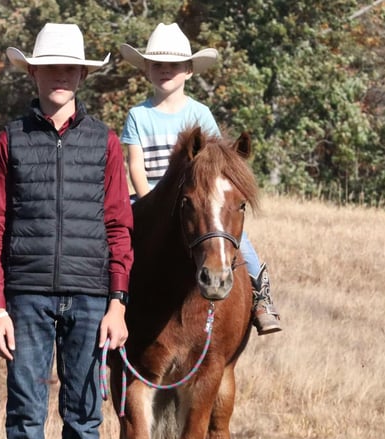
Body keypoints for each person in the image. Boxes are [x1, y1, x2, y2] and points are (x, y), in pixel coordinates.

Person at [0, 22, 134, 439]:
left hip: (92, 298)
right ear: (35, 73)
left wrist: (118, 303)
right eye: (51, 67)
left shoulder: (105, 142)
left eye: (71, 68)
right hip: (25, 299)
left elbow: (118, 224)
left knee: (84, 413)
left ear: (82, 76)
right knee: (25, 412)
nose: (61, 76)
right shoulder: (10, 139)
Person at [119, 22, 281, 336]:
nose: (165, 70)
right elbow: (135, 165)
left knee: (240, 242)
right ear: (147, 70)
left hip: (198, 199)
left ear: (189, 71)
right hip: (150, 195)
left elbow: (217, 162)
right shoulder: (138, 114)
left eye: (173, 65)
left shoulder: (200, 113)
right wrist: (153, 202)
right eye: (157, 65)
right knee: (115, 236)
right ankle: (106, 297)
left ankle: (261, 299)